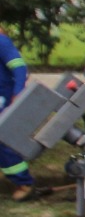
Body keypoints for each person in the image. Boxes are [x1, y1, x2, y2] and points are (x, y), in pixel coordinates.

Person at [0, 29, 39, 201]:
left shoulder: (1, 42)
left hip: (4, 99)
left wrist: (18, 93)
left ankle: (24, 183)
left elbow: (19, 67)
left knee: (3, 140)